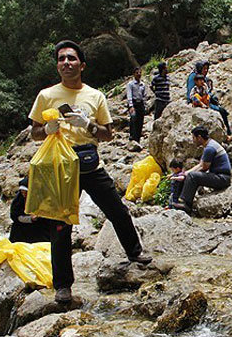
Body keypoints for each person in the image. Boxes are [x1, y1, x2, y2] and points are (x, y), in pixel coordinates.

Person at [29, 40, 152, 303]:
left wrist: (88, 125)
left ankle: (135, 252)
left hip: (90, 162)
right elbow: (34, 132)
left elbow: (108, 134)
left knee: (117, 210)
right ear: (57, 65)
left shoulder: (95, 96)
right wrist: (48, 129)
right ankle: (63, 285)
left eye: (71, 58)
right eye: (61, 59)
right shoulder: (46, 95)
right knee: (60, 226)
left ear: (82, 65)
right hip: (59, 166)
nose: (66, 63)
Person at [173, 126, 232, 214]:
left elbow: (204, 168)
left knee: (192, 177)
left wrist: (187, 174)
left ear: (199, 137)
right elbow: (200, 164)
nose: (193, 140)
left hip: (222, 178)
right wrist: (184, 174)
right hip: (219, 176)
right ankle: (177, 201)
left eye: (194, 137)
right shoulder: (209, 145)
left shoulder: (210, 148)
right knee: (187, 175)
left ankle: (186, 204)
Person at [185, 61, 232, 135]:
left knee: (222, 110)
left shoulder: (203, 78)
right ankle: (228, 131)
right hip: (198, 101)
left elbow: (207, 91)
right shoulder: (193, 77)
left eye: (207, 69)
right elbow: (190, 93)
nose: (206, 70)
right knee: (221, 111)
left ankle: (227, 129)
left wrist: (212, 97)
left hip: (205, 100)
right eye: (204, 69)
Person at [9, 178, 51, 243]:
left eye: (26, 192)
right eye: (22, 192)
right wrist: (29, 219)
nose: (24, 195)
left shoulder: (41, 197)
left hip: (40, 226)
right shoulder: (19, 200)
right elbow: (15, 215)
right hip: (23, 226)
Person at [126, 67, 147, 144]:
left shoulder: (143, 85)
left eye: (140, 72)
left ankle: (138, 139)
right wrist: (131, 105)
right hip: (133, 103)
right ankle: (132, 137)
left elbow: (144, 95)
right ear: (134, 74)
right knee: (133, 119)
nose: (139, 74)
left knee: (140, 121)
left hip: (140, 103)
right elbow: (129, 95)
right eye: (137, 73)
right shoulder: (130, 84)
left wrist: (144, 105)